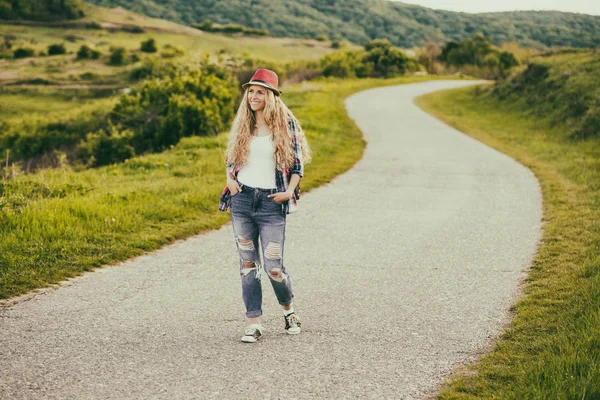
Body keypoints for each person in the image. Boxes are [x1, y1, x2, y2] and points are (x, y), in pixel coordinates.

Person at [219, 68, 311, 343]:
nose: (254, 96)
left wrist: (290, 191)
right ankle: (254, 322)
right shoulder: (244, 125)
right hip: (243, 201)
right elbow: (231, 159)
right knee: (248, 264)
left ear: (271, 96)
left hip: (272, 204)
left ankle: (288, 310)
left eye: (260, 92)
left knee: (274, 267)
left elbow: (297, 165)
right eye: (251, 91)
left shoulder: (286, 124)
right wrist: (230, 182)